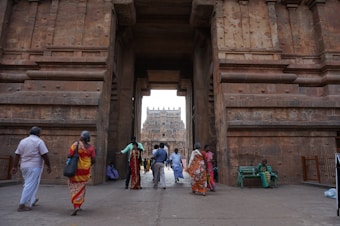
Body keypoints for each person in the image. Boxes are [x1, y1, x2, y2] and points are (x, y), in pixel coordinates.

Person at [11, 126, 52, 212]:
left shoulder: (23, 141)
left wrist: (14, 167)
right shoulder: (39, 141)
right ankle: (22, 204)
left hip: (24, 166)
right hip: (34, 166)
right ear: (38, 133)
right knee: (29, 185)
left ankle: (31, 200)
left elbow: (17, 154)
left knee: (30, 184)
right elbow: (44, 155)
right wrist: (49, 166)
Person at [68, 131, 96, 216]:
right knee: (81, 188)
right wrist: (88, 165)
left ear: (82, 137)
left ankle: (76, 205)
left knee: (74, 187)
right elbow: (94, 160)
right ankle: (79, 205)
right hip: (85, 171)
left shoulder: (75, 145)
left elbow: (69, 155)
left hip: (75, 170)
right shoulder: (91, 148)